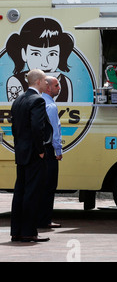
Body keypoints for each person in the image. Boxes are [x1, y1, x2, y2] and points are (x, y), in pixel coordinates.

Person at [10, 69, 53, 242]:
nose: (47, 84)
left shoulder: (18, 100)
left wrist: (21, 146)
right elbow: (37, 127)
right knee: (32, 193)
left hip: (21, 152)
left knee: (20, 191)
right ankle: (29, 232)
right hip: (34, 154)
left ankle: (17, 231)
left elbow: (15, 128)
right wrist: (41, 150)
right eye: (45, 81)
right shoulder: (38, 100)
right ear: (37, 82)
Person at [38, 76, 63, 229]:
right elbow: (55, 130)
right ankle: (45, 220)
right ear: (48, 88)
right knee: (49, 187)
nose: (59, 88)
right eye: (56, 85)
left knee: (41, 186)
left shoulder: (40, 102)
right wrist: (58, 150)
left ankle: (39, 218)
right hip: (49, 151)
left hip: (40, 150)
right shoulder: (51, 107)